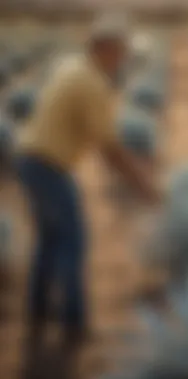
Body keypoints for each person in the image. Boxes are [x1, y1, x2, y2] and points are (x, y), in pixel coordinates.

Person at [16, 13, 161, 347]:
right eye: (121, 50)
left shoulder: (73, 68)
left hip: (31, 160)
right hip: (48, 165)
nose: (124, 57)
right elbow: (109, 148)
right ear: (105, 48)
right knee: (72, 241)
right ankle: (73, 323)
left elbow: (103, 144)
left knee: (49, 241)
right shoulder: (92, 82)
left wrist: (136, 175)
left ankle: (38, 314)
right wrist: (145, 185)